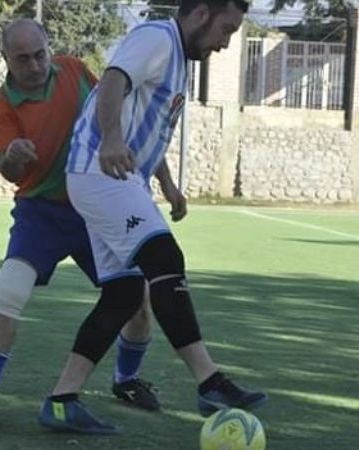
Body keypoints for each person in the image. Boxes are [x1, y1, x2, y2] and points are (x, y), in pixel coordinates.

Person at [37, 0, 267, 435]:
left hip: (118, 177)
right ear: (201, 14)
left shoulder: (179, 58)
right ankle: (208, 380)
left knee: (124, 294)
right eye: (228, 30)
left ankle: (61, 401)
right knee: (165, 259)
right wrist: (109, 139)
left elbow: (148, 125)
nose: (225, 42)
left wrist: (166, 182)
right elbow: (113, 81)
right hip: (99, 171)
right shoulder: (157, 39)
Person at [0, 18, 182, 434]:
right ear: (5, 59)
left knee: (136, 297)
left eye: (40, 54)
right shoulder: (1, 105)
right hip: (40, 212)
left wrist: (167, 182)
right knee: (9, 290)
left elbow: (122, 122)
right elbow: (5, 171)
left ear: (49, 47)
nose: (35, 65)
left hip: (94, 208)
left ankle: (125, 380)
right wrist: (13, 156)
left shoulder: (77, 71)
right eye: (22, 58)